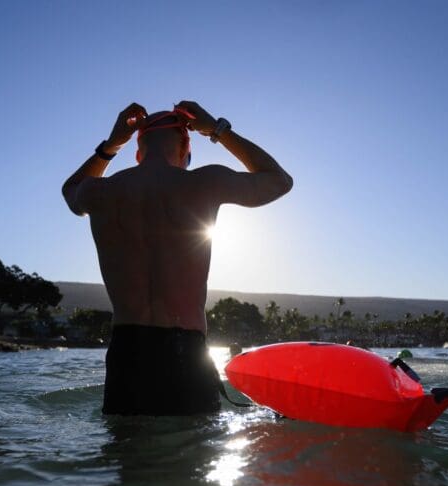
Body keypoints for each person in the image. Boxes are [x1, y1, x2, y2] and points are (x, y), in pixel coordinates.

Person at [62, 100, 293, 416]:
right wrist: (217, 130)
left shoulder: (99, 192)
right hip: (185, 350)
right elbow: (279, 180)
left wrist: (111, 145)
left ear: (138, 152)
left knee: (128, 458)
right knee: (191, 459)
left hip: (126, 354)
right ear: (186, 150)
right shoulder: (203, 182)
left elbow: (70, 189)